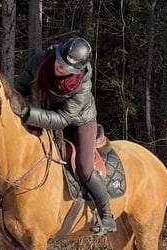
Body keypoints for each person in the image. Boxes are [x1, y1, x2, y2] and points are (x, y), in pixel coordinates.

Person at [14, 36, 117, 236]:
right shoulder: (39, 61)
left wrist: (28, 114)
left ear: (78, 70)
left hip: (78, 121)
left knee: (84, 167)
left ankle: (106, 213)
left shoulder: (83, 85)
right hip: (42, 112)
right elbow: (20, 87)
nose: (60, 68)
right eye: (60, 62)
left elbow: (63, 118)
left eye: (67, 68)